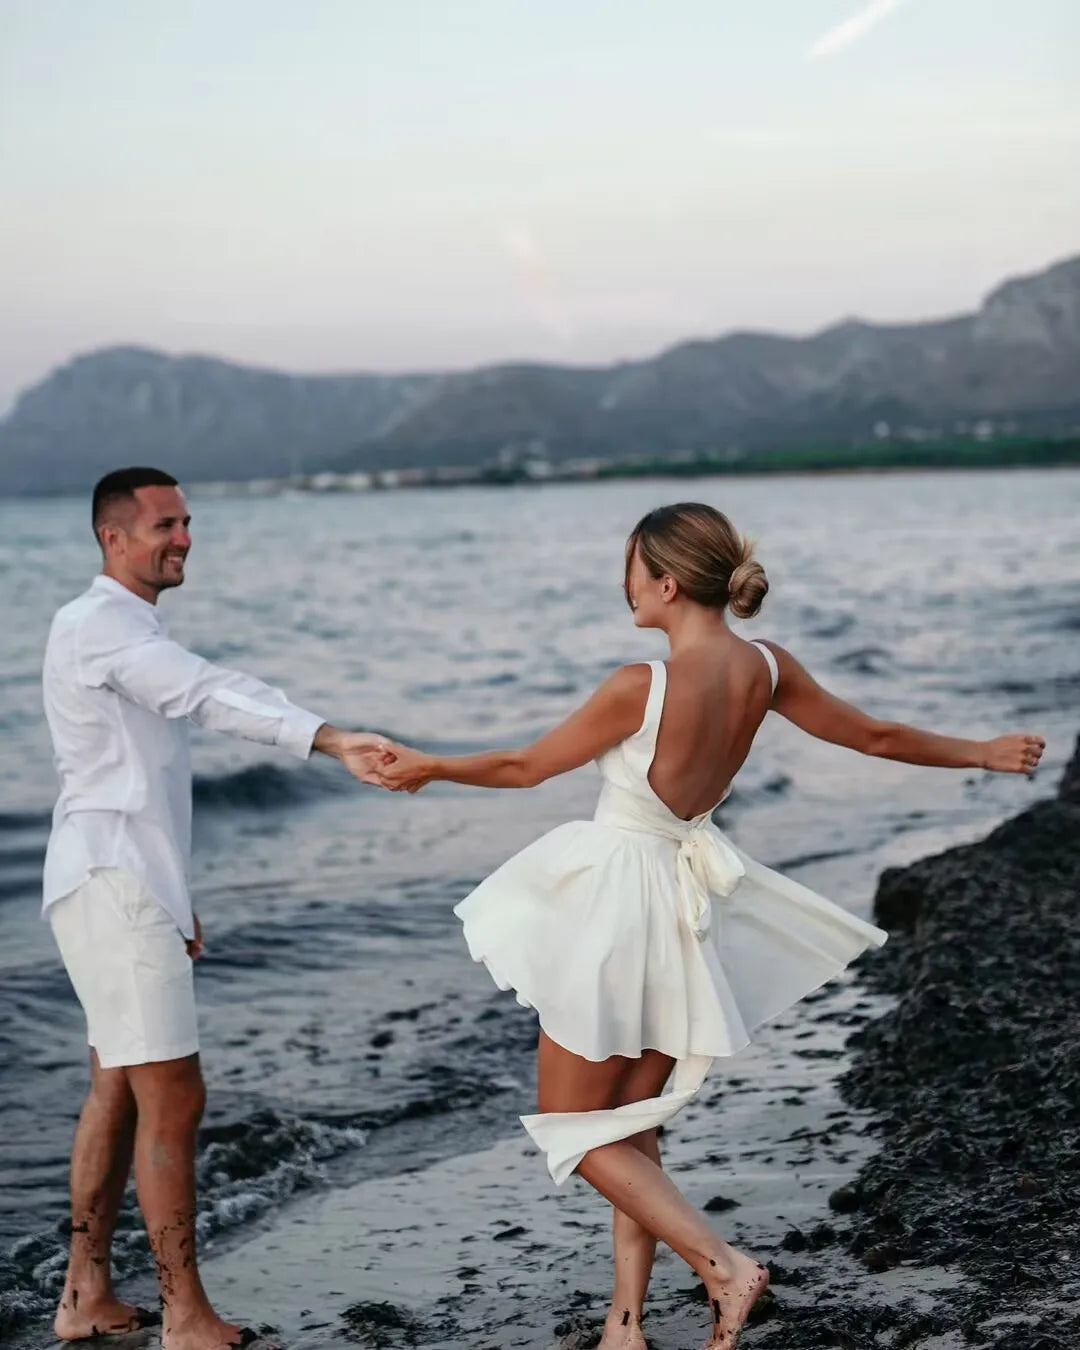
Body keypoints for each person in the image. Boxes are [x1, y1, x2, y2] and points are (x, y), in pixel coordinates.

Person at [371, 502, 1045, 1350]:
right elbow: (873, 735)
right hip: (681, 907)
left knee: (575, 1130)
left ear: (662, 579)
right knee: (633, 1124)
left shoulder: (638, 685)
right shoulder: (765, 669)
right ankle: (626, 1323)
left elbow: (523, 766)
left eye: (629, 573)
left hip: (617, 906)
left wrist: (431, 765)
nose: (623, 592)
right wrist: (981, 752)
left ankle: (723, 1265)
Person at [41, 467, 384, 1350]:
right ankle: (183, 1314)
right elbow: (204, 691)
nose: (183, 537)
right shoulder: (102, 628)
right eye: (164, 524)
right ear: (112, 537)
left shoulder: (117, 627)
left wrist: (174, 894)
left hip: (121, 878)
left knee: (119, 1085)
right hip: (111, 882)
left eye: (187, 522)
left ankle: (85, 1295)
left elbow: (141, 781)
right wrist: (331, 735)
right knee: (175, 1099)